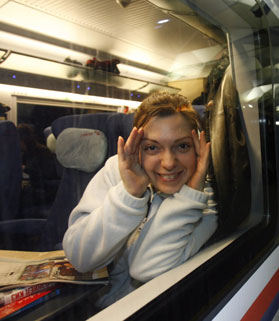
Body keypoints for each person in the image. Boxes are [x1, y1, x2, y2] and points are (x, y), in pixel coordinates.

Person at [63, 92, 218, 308]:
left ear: (199, 149)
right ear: (137, 150)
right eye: (152, 148)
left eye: (182, 146)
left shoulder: (203, 202)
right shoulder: (116, 171)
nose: (169, 163)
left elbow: (144, 269)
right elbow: (80, 257)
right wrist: (129, 194)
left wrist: (189, 196)